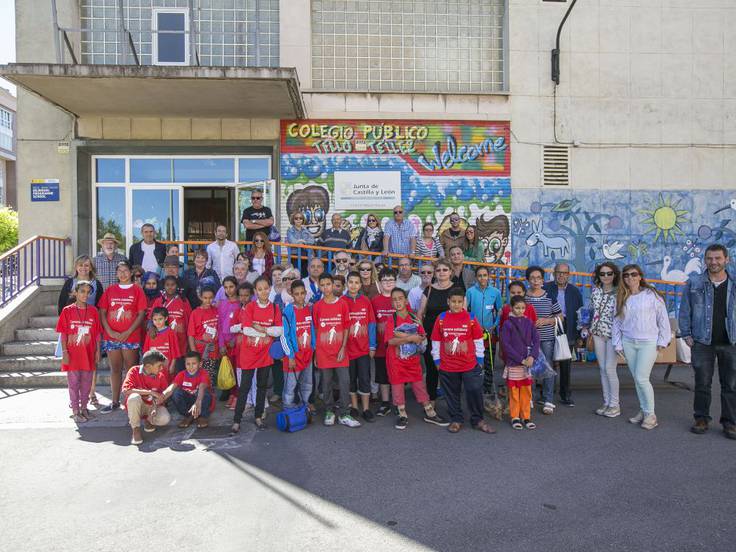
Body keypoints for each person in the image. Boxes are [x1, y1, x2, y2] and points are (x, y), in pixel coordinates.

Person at [679, 244, 736, 439]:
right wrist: (686, 333)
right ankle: (701, 418)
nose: (714, 262)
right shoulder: (694, 283)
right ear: (705, 260)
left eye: (718, 258)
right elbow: (685, 310)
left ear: (726, 260)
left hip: (731, 342)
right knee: (702, 383)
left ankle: (730, 422)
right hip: (702, 341)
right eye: (710, 258)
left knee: (731, 383)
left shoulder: (734, 283)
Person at [612, 264, 671, 430]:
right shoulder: (622, 296)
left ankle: (651, 415)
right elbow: (616, 322)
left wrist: (663, 340)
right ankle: (644, 410)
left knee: (641, 378)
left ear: (640, 276)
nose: (630, 278)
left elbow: (663, 318)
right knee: (638, 380)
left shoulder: (651, 295)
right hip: (629, 342)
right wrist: (617, 343)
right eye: (626, 275)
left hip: (648, 342)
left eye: (633, 274)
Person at [431, 287, 495, 434]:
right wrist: (437, 361)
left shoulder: (471, 318)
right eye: (453, 301)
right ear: (448, 302)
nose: (456, 305)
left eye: (460, 301)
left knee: (474, 391)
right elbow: (436, 340)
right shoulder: (441, 319)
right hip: (447, 365)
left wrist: (480, 360)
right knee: (451, 393)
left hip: (469, 364)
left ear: (464, 302)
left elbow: (478, 340)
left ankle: (477, 419)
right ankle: (456, 419)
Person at [385, 288, 448, 429]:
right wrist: (409, 337)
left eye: (400, 298)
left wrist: (401, 335)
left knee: (419, 385)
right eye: (394, 300)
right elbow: (390, 341)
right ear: (391, 303)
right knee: (397, 386)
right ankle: (402, 414)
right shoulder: (392, 320)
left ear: (406, 300)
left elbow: (421, 336)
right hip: (395, 360)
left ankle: (430, 412)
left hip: (412, 360)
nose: (397, 302)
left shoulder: (414, 318)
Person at [231, 277, 283, 432]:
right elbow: (246, 330)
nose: (263, 292)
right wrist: (266, 332)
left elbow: (279, 330)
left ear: (270, 288)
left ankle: (258, 416)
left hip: (265, 355)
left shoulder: (274, 308)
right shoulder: (250, 307)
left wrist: (263, 329)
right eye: (260, 289)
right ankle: (236, 420)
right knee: (245, 387)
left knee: (261, 387)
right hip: (249, 355)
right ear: (255, 291)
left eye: (266, 288)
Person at [98, 261, 147, 413]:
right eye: (119, 271)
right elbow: (102, 312)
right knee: (115, 369)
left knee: (131, 370)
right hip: (111, 337)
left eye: (125, 270)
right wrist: (110, 331)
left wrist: (128, 332)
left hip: (130, 337)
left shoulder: (137, 290)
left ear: (131, 272)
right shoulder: (110, 290)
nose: (123, 274)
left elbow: (141, 313)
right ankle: (114, 401)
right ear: (116, 273)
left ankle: (131, 401)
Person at [313, 274, 361, 427]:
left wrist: (343, 347)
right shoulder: (317, 306)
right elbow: (315, 329)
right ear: (319, 286)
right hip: (323, 352)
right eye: (323, 285)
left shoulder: (342, 304)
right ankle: (329, 411)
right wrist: (315, 353)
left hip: (340, 352)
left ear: (333, 285)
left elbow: (346, 327)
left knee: (344, 382)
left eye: (329, 284)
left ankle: (344, 413)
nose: (326, 287)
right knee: (326, 383)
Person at [56, 280, 102, 423]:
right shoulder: (67, 310)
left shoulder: (93, 311)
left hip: (88, 353)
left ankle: (84, 408)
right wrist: (64, 352)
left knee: (87, 383)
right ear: (75, 292)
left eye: (88, 292)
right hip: (73, 354)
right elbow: (63, 333)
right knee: (74, 383)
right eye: (82, 291)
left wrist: (98, 351)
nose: (85, 295)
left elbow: (97, 334)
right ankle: (75, 410)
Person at [543, 262, 583, 407]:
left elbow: (579, 313)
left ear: (569, 275)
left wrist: (579, 336)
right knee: (547, 360)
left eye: (565, 273)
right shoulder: (546, 288)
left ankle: (565, 394)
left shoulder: (575, 291)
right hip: (549, 324)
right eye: (559, 272)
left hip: (568, 326)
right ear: (554, 273)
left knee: (566, 362)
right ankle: (546, 394)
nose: (561, 275)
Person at [525, 266, 562, 415]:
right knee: (529, 368)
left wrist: (546, 320)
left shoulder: (549, 296)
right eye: (532, 278)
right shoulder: (524, 297)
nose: (535, 281)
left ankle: (548, 400)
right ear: (528, 280)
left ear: (542, 280)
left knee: (547, 368)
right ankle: (529, 398)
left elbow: (560, 316)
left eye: (538, 278)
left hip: (546, 338)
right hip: (528, 339)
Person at [466, 265, 503, 411]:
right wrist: (474, 325)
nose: (482, 278)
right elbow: (466, 311)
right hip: (474, 333)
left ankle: (487, 388)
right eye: (480, 275)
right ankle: (474, 388)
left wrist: (494, 325)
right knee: (474, 361)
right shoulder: (470, 291)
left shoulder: (495, 292)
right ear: (476, 277)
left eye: (485, 275)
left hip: (489, 333)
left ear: (489, 277)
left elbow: (499, 310)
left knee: (489, 361)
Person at [500, 295, 540, 430]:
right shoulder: (507, 324)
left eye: (523, 308)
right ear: (511, 308)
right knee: (514, 392)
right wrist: (521, 359)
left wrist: (532, 357)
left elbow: (536, 341)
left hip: (527, 364)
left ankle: (526, 416)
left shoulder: (529, 323)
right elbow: (506, 345)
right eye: (517, 308)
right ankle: (515, 416)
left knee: (526, 391)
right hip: (514, 364)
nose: (520, 310)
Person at [418, 259, 455, 405]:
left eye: (445, 270)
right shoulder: (429, 289)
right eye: (438, 270)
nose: (441, 273)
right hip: (431, 335)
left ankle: (453, 403)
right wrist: (422, 333)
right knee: (432, 369)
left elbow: (462, 313)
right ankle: (431, 401)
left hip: (450, 336)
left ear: (450, 272)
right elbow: (420, 313)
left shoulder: (456, 289)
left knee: (450, 370)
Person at [588, 263, 621, 418]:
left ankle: (615, 404)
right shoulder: (596, 291)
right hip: (597, 332)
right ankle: (607, 402)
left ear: (615, 274)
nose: (606, 276)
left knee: (609, 368)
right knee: (602, 368)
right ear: (598, 276)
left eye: (609, 273)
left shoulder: (620, 292)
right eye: (602, 274)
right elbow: (592, 310)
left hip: (613, 334)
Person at [344, 271, 377, 423]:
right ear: (346, 283)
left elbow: (371, 324)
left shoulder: (365, 301)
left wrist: (372, 345)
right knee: (351, 378)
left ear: (360, 284)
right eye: (351, 282)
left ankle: (366, 408)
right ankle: (354, 407)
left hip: (363, 348)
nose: (353, 285)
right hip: (347, 349)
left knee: (364, 378)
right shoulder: (342, 301)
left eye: (357, 282)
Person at [122, 350, 171, 445]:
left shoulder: (160, 376)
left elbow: (162, 397)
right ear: (148, 366)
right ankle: (135, 429)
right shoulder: (134, 371)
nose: (161, 368)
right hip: (137, 406)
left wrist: (155, 407)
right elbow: (126, 390)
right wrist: (150, 392)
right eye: (159, 366)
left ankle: (148, 421)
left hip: (151, 407)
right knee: (133, 397)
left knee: (165, 418)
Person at [281, 280, 315, 412]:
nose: (300, 297)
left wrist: (313, 348)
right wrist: (290, 356)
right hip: (294, 356)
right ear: (291, 294)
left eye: (302, 293)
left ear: (306, 293)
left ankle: (304, 406)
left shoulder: (308, 309)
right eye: (297, 294)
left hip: (307, 354)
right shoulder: (288, 311)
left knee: (307, 383)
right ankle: (288, 408)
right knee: (290, 385)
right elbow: (284, 336)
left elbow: (312, 330)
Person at [372, 267, 399, 417]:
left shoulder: (400, 298)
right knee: (382, 376)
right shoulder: (375, 300)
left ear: (395, 281)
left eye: (391, 279)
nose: (388, 282)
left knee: (395, 375)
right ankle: (385, 403)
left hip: (397, 346)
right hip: (381, 346)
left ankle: (397, 402)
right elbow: (371, 324)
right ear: (380, 283)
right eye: (385, 280)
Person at [149, 275, 191, 367]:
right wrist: (151, 328)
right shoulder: (159, 301)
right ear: (164, 286)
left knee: (178, 371)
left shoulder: (183, 301)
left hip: (181, 343)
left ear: (177, 285)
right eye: (167, 285)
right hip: (163, 344)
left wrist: (189, 341)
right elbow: (150, 319)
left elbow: (189, 322)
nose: (170, 287)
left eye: (173, 284)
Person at [165, 350, 214, 429]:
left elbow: (202, 387)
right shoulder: (181, 374)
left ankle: (202, 416)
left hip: (200, 399)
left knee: (205, 393)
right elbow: (171, 388)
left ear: (200, 364)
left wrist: (197, 402)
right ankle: (188, 416)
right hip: (189, 401)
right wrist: (161, 397)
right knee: (175, 393)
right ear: (185, 364)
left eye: (194, 364)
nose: (191, 367)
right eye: (188, 364)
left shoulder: (204, 373)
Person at [216, 276, 241, 409]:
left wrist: (235, 340)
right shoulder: (222, 303)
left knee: (237, 369)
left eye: (231, 286)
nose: (228, 290)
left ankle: (237, 395)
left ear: (236, 286)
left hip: (236, 343)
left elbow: (242, 324)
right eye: (225, 287)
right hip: (224, 343)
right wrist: (221, 344)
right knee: (229, 369)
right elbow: (219, 325)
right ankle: (232, 393)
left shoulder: (240, 303)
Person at [143, 306, 181, 385]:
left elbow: (175, 350)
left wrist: (173, 365)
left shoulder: (171, 332)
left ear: (166, 318)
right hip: (153, 366)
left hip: (166, 366)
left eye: (160, 319)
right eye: (155, 319)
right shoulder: (150, 333)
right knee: (154, 385)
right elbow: (146, 351)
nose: (157, 322)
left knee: (166, 385)